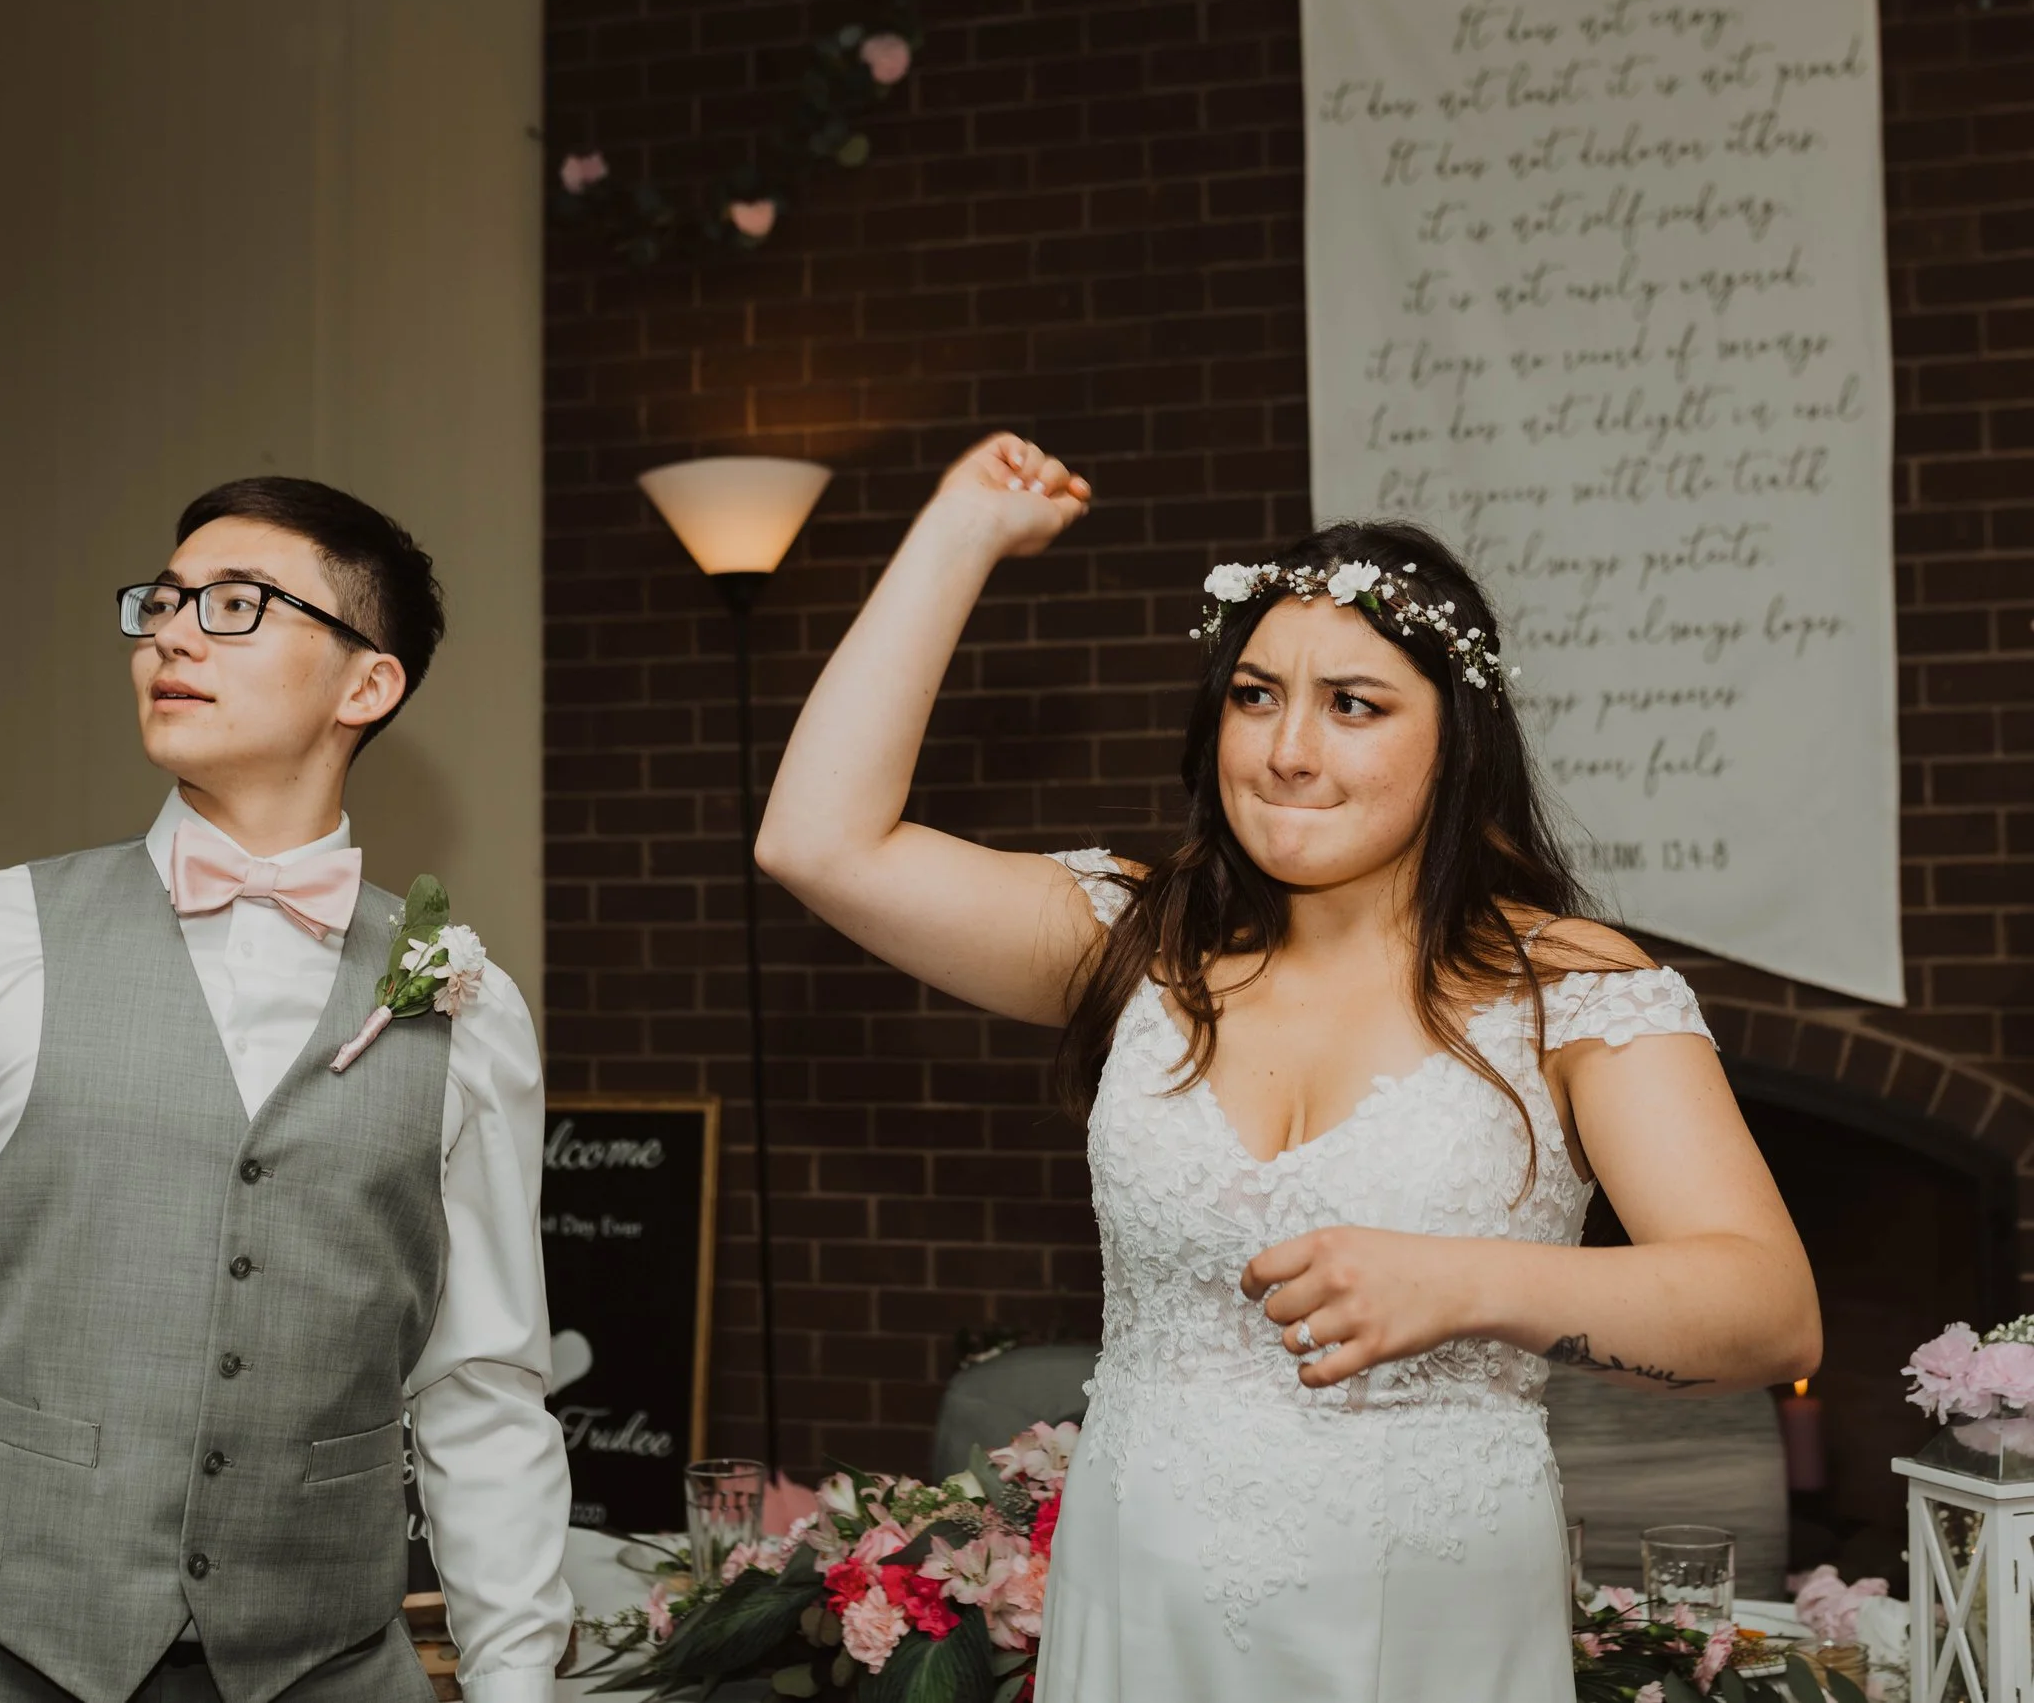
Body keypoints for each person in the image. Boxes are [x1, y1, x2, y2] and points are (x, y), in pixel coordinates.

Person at [754, 434, 1821, 1698]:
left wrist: (1466, 1280)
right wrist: (958, 533)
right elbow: (816, 841)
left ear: (1455, 738)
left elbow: (1767, 1309)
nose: (1287, 750)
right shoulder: (1137, 942)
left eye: (1353, 704)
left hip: (1425, 1616)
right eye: (1254, 695)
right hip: (1142, 1599)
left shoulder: (1567, 982)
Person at [0, 476, 572, 1703]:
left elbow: (483, 1389)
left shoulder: (468, 1004)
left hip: (330, 1667)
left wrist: (516, 1682)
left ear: (366, 684)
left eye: (235, 604)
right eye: (162, 601)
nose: (169, 633)